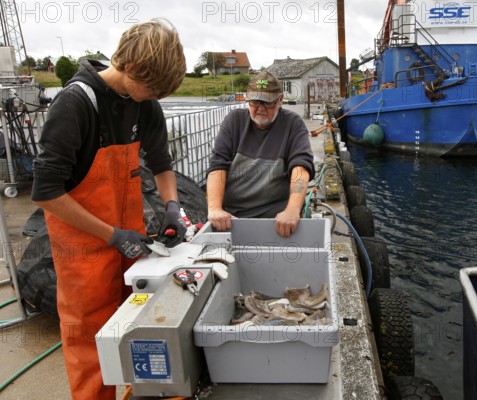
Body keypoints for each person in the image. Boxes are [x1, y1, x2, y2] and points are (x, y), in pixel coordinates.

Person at [31, 19, 187, 400]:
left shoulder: (144, 105)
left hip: (130, 242)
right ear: (131, 68)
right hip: (82, 249)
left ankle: (143, 391)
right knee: (91, 343)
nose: (154, 97)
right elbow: (46, 192)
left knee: (140, 328)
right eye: (151, 88)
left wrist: (172, 206)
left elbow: (162, 162)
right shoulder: (76, 104)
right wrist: (111, 236)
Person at [206, 71, 315, 237]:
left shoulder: (293, 124)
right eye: (255, 102)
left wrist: (292, 210)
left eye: (268, 103)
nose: (261, 108)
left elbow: (300, 167)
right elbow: (218, 165)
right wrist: (215, 209)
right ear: (247, 99)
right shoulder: (234, 121)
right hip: (233, 219)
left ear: (280, 100)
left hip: (277, 222)